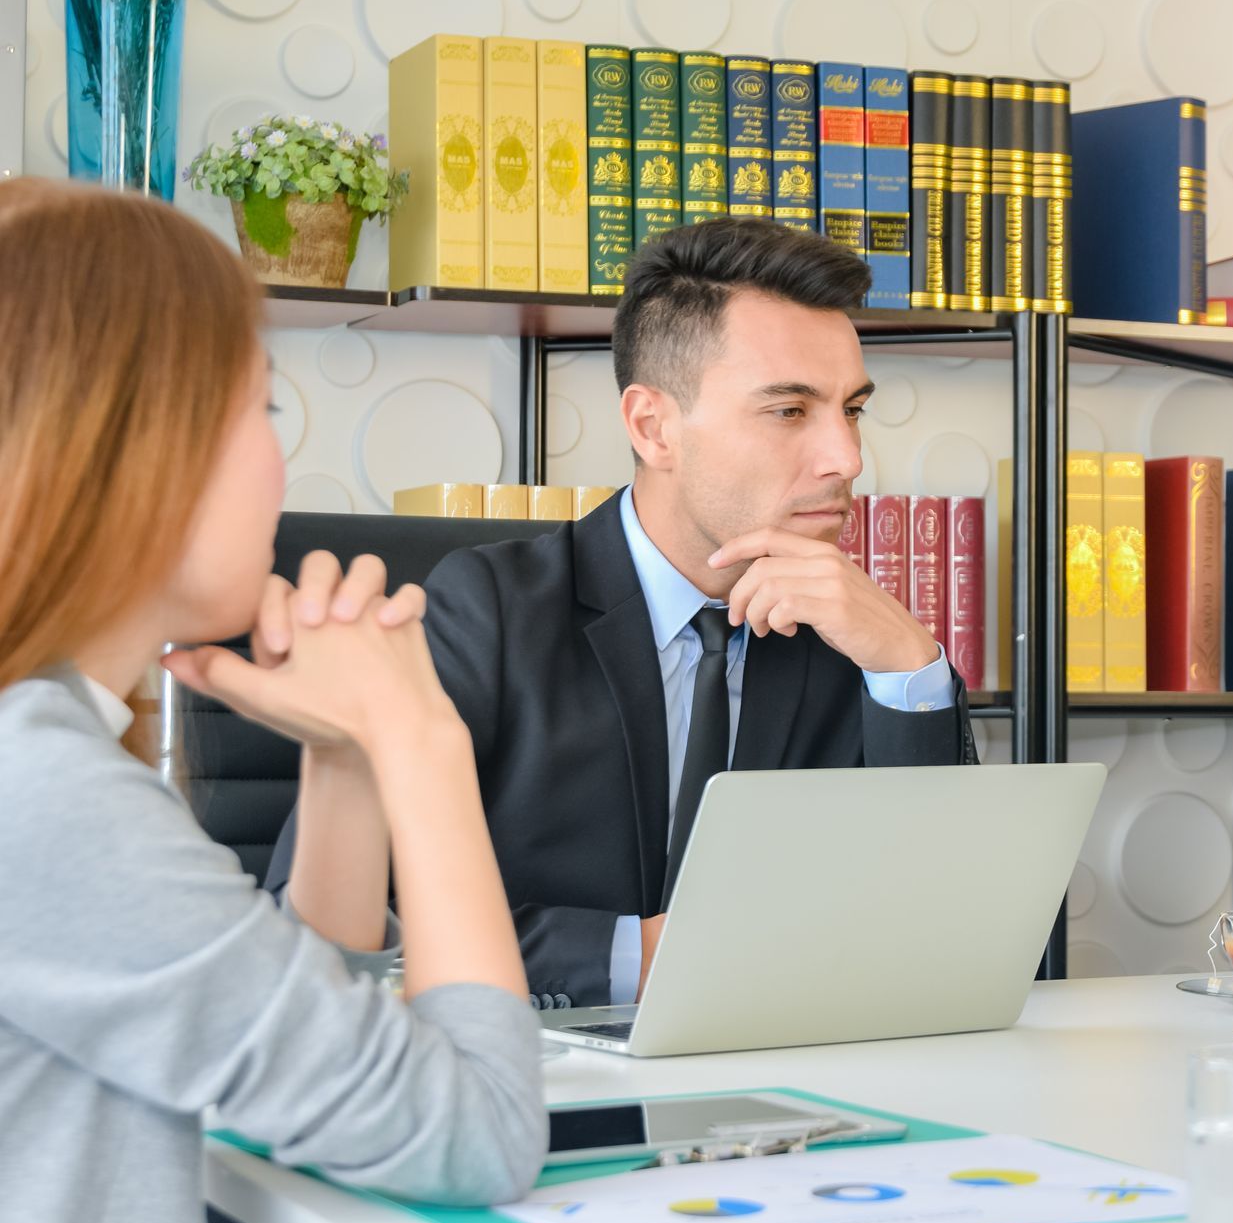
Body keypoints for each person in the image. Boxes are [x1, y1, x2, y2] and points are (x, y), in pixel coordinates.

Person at [0, 179, 549, 1223]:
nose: (278, 463)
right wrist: (418, 736)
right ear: (136, 447)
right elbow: (479, 1133)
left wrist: (343, 758)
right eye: (260, 410)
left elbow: (312, 1060)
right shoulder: (40, 788)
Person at [268, 216, 977, 1010]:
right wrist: (635, 955)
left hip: (791, 1091)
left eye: (853, 411)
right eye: (789, 411)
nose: (845, 458)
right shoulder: (487, 612)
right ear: (653, 426)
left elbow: (944, 924)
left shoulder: (850, 634)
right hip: (529, 1087)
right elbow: (341, 924)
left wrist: (910, 667)